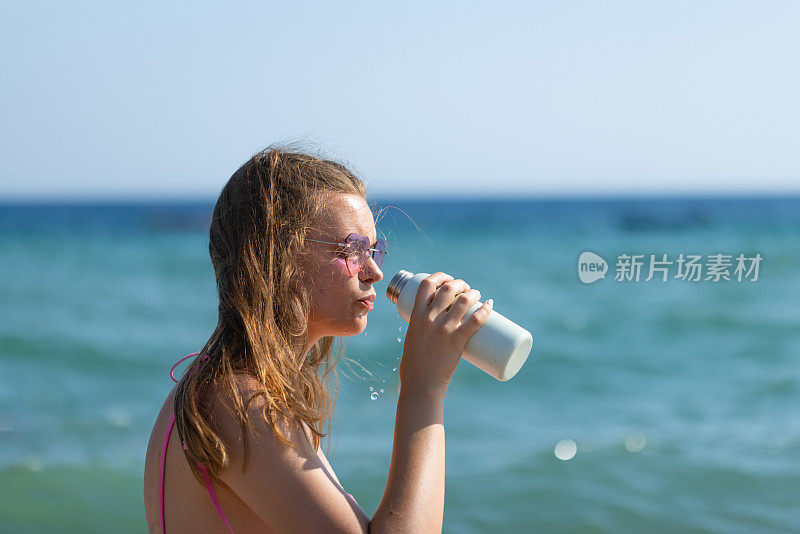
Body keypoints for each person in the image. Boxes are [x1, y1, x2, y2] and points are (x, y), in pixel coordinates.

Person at [143, 146, 494, 533]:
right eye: (352, 249)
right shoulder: (239, 402)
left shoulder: (237, 388)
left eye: (373, 248)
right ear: (278, 258)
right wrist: (424, 388)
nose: (375, 271)